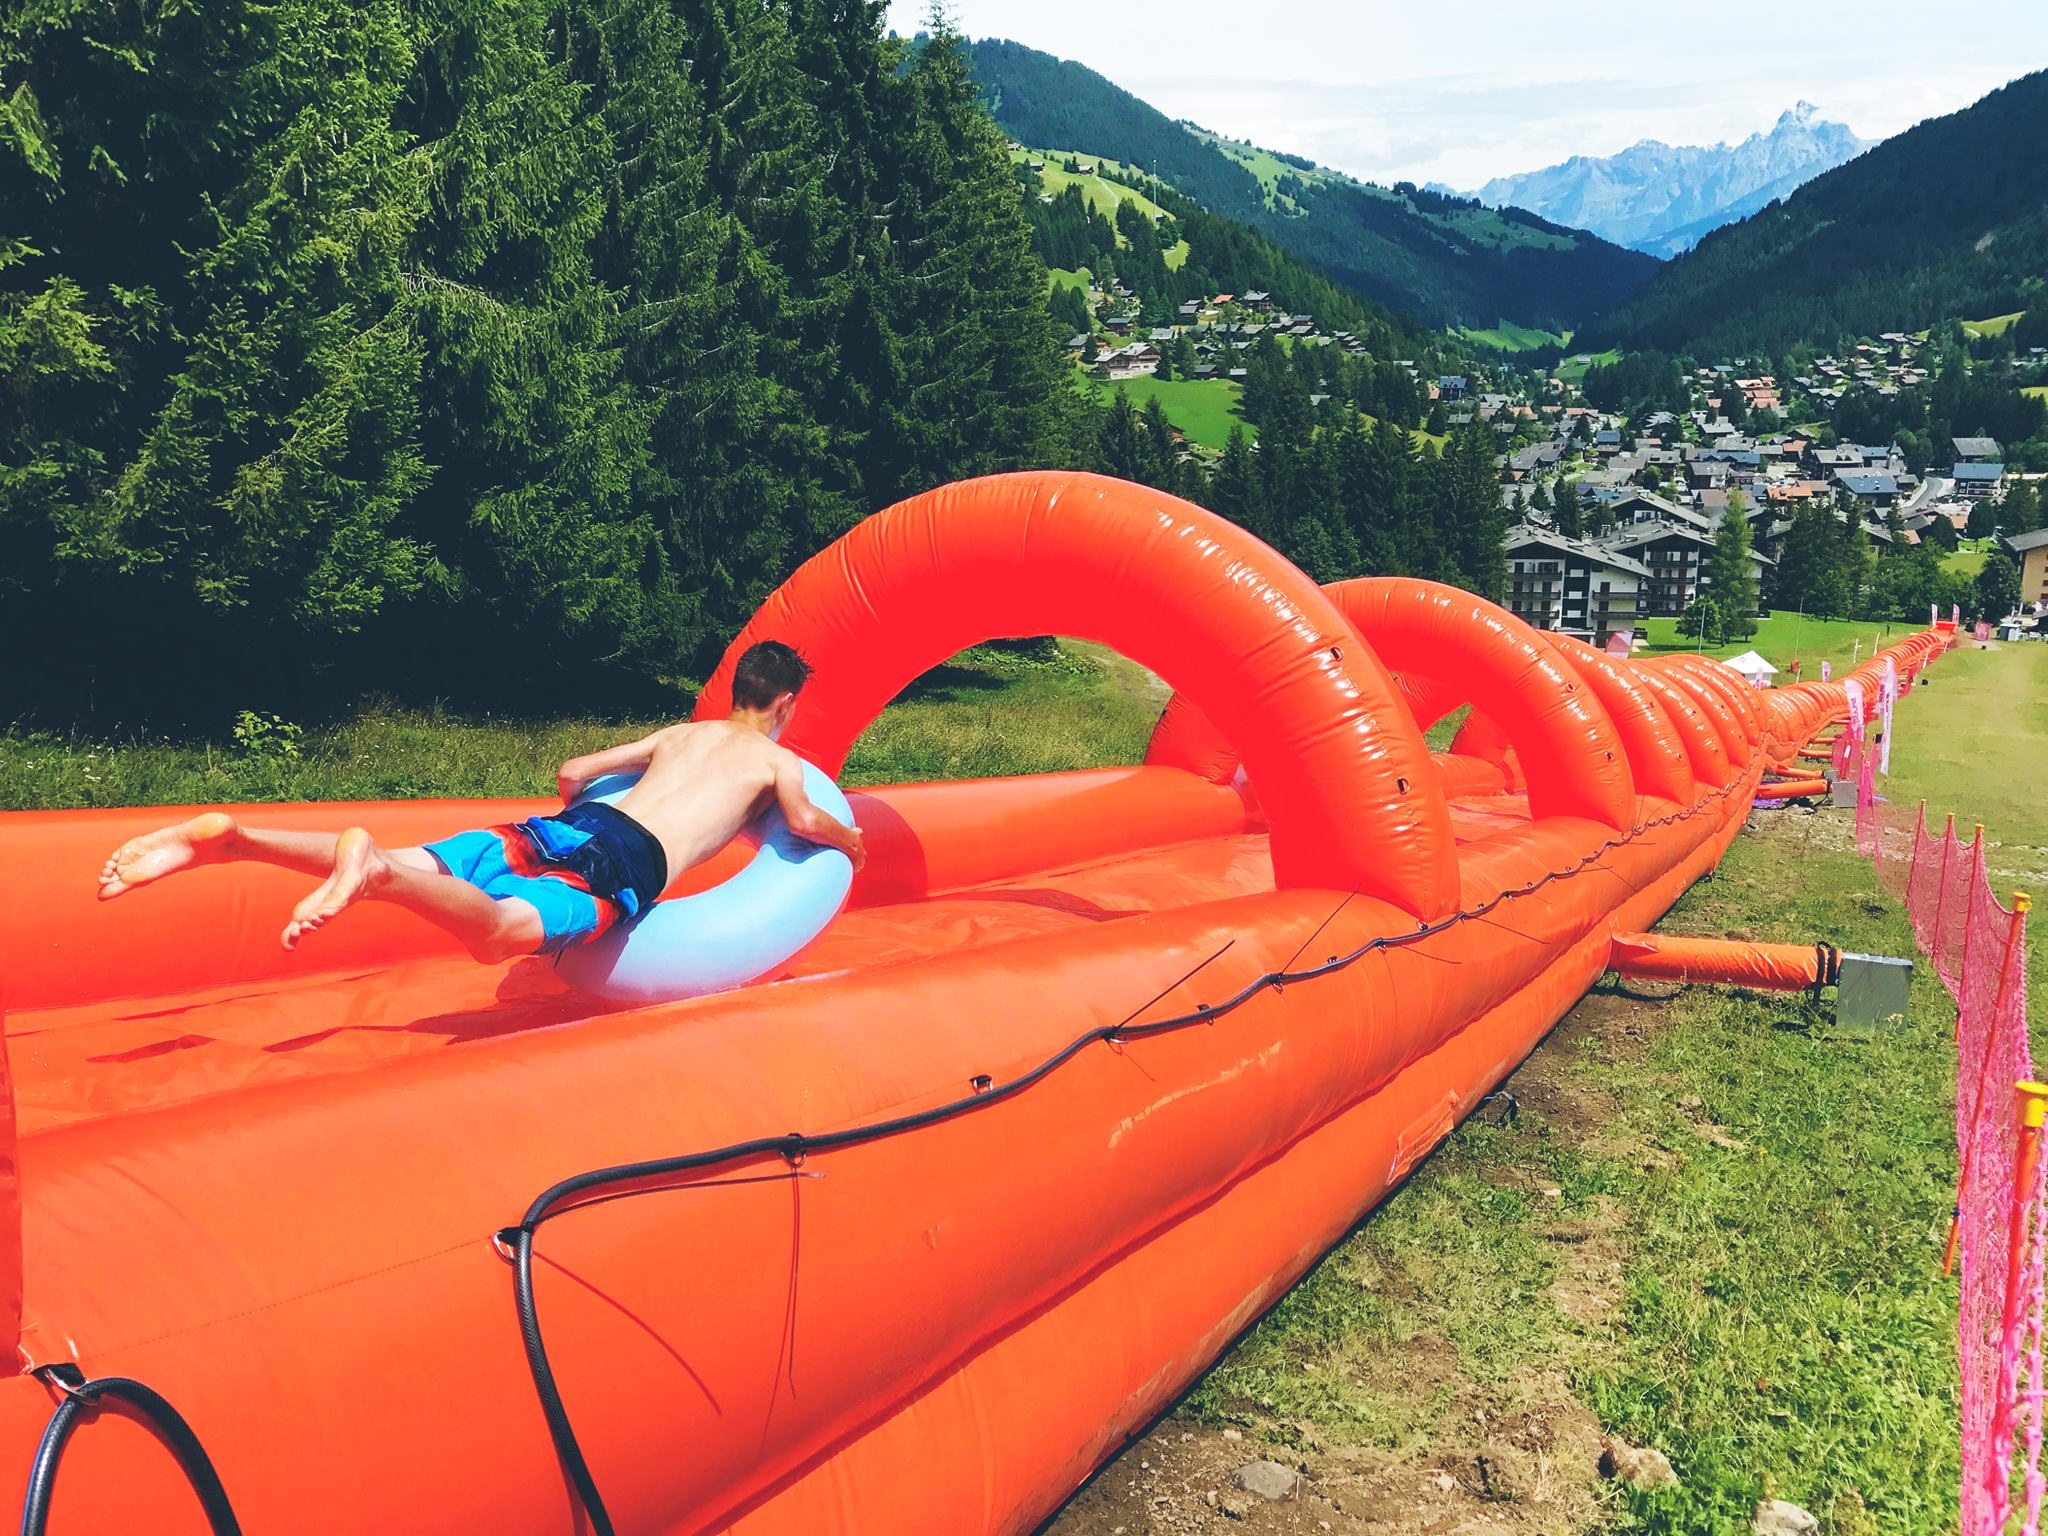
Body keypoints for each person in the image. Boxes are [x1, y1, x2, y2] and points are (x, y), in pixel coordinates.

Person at [97, 641, 864, 958]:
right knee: (499, 932)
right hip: (627, 859)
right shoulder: (775, 761)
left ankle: (236, 841)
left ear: (738, 690)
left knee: (426, 859)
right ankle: (377, 878)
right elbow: (801, 821)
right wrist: (850, 842)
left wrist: (584, 810)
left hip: (578, 820)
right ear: (787, 703)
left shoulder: (680, 733)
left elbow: (571, 770)